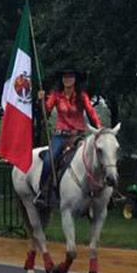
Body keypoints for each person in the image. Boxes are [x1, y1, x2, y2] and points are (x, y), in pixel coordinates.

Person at [35, 68, 102, 206]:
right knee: (49, 160)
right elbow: (45, 111)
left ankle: (103, 193)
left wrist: (100, 128)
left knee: (97, 157)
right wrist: (41, 101)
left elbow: (91, 111)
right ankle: (43, 191)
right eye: (65, 76)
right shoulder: (56, 95)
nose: (68, 79)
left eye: (71, 76)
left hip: (78, 135)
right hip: (60, 136)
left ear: (75, 79)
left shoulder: (82, 96)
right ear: (62, 79)